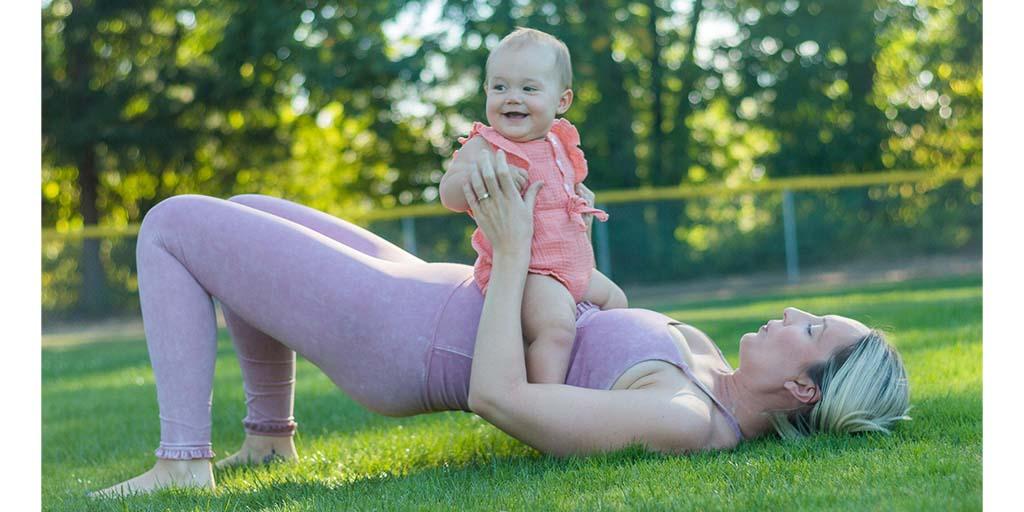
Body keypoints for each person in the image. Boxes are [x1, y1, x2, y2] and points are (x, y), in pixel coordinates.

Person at [90, 150, 910, 497]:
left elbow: (499, 397)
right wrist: (564, 230)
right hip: (432, 289)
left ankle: (183, 461)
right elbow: (597, 317)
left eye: (813, 328)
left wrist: (515, 252)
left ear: (805, 387)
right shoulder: (701, 367)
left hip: (401, 336)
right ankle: (268, 439)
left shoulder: (685, 417)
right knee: (243, 212)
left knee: (173, 223)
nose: (794, 313)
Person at [439, 27, 627, 384]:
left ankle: (598, 381)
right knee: (556, 328)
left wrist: (579, 196)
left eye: (528, 88)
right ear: (486, 92)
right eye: (500, 87)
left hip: (573, 266)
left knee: (617, 302)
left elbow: (563, 189)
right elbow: (448, 193)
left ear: (562, 101)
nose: (512, 98)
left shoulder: (559, 142)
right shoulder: (487, 146)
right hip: (528, 272)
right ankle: (542, 403)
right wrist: (491, 176)